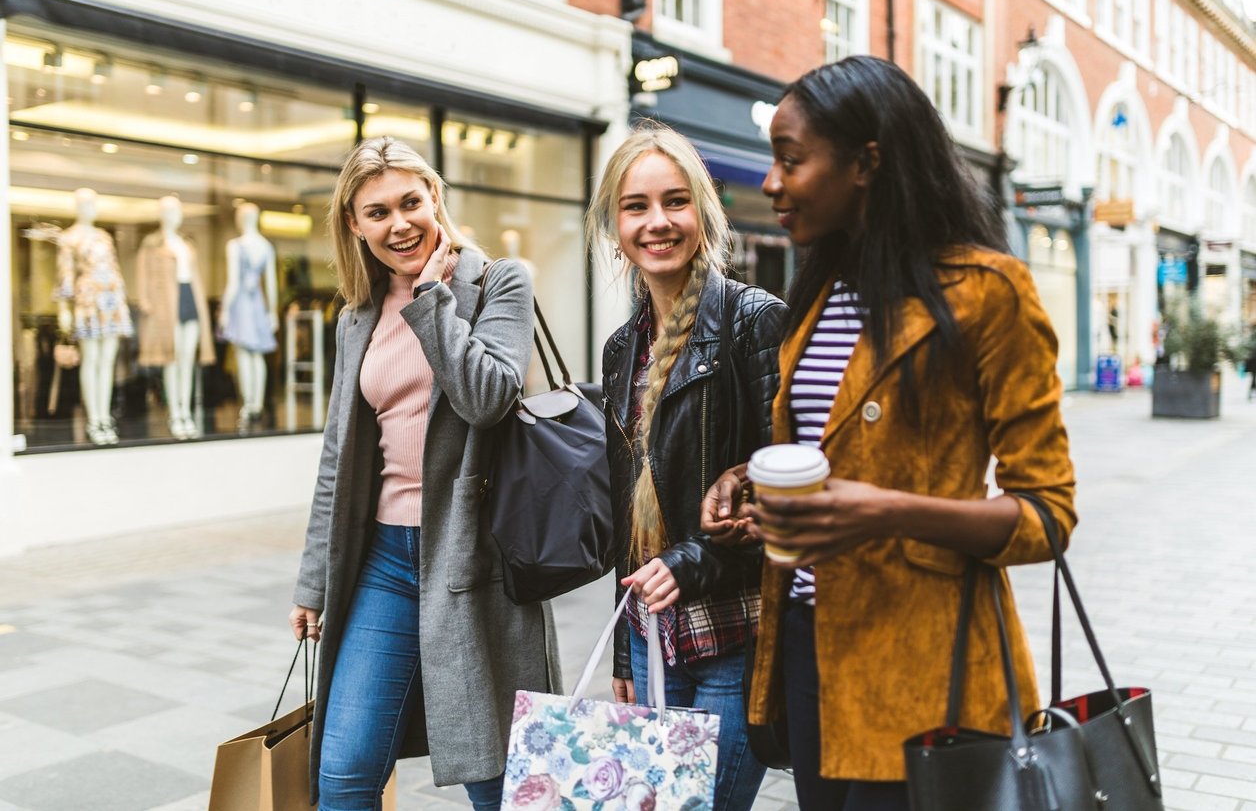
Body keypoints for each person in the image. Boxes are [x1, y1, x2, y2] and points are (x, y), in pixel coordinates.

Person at [701, 56, 1077, 811]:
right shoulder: (819, 293)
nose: (770, 181)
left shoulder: (988, 293)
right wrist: (749, 474)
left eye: (791, 159)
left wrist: (886, 509)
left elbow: (1048, 514)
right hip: (809, 641)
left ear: (867, 162)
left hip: (927, 662)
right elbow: (841, 443)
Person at [289, 135, 560, 811]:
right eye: (376, 212)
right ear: (354, 224)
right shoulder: (357, 315)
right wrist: (313, 582)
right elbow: (338, 456)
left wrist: (433, 298)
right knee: (344, 771)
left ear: (436, 197)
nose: (399, 223)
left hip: (474, 556)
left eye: (411, 202)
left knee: (494, 777)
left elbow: (488, 396)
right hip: (383, 559)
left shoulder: (500, 281)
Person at [587, 123, 787, 811]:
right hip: (651, 636)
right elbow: (627, 516)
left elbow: (782, 489)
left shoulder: (752, 320)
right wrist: (621, 653)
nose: (658, 221)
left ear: (703, 212)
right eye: (636, 206)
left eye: (675, 201)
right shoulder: (622, 349)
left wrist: (691, 561)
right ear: (615, 226)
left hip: (740, 629)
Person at [54, 187, 133, 445]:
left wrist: (122, 305)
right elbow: (65, 276)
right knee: (91, 360)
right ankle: (93, 418)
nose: (88, 207)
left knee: (107, 362)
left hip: (111, 302)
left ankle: (104, 417)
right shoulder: (68, 238)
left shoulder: (104, 237)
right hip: (87, 303)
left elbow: (114, 271)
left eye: (92, 203)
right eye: (83, 203)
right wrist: (64, 310)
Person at [136, 195, 215, 440]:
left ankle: (185, 412)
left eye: (176, 210)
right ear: (160, 214)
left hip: (188, 299)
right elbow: (142, 278)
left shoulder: (186, 244)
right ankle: (174, 413)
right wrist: (146, 302)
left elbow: (195, 277)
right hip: (166, 306)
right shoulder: (151, 245)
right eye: (167, 210)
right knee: (172, 359)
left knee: (187, 361)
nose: (172, 215)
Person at [219, 202, 279, 429]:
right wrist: (272, 311)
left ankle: (248, 403)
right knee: (257, 356)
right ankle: (257, 404)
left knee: (245, 355)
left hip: (244, 304)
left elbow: (233, 282)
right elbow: (271, 284)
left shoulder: (235, 246)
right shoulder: (265, 246)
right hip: (258, 304)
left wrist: (225, 309)